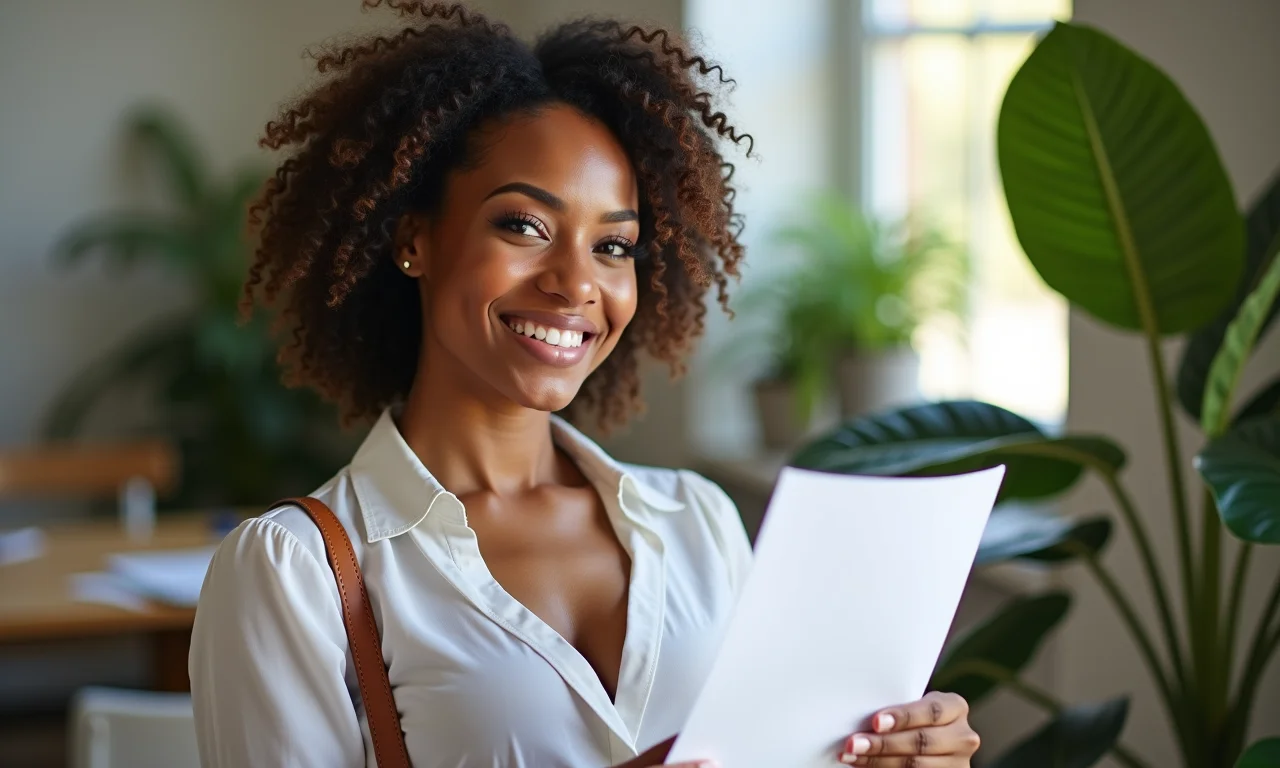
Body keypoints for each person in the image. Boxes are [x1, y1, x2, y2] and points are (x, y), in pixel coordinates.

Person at [188, 2, 982, 766]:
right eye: (525, 227)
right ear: (414, 238)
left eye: (614, 246)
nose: (576, 284)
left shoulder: (697, 524)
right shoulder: (295, 572)